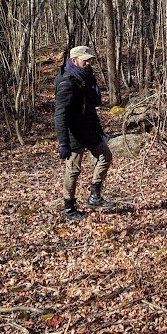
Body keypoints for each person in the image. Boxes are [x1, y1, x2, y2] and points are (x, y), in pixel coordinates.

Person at [54, 45, 116, 216]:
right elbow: (60, 116)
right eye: (85, 60)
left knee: (105, 156)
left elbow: (90, 108)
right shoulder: (66, 83)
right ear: (74, 60)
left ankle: (95, 197)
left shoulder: (86, 78)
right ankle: (69, 207)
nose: (89, 63)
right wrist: (63, 143)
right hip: (73, 133)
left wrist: (99, 130)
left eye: (90, 60)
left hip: (89, 129)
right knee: (73, 170)